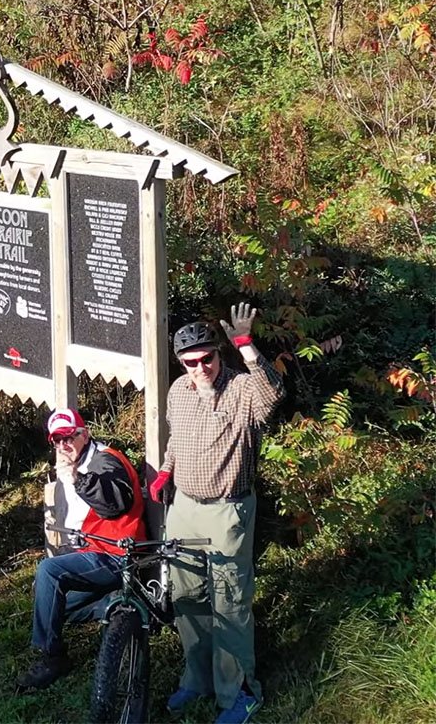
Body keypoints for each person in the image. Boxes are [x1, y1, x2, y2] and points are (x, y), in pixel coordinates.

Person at [149, 303, 285, 724]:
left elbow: (273, 395)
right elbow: (176, 440)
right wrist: (166, 471)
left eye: (207, 358)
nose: (200, 368)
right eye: (190, 362)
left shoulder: (243, 390)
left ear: (218, 354)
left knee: (229, 603)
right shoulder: (178, 391)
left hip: (228, 512)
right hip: (184, 508)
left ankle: (239, 692)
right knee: (186, 598)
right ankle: (198, 678)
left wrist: (246, 345)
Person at [16, 408, 146, 692]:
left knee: (49, 571)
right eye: (57, 440)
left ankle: (53, 657)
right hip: (95, 549)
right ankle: (112, 607)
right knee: (48, 602)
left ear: (84, 434)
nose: (63, 445)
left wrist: (78, 480)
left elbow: (116, 503)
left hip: (117, 554)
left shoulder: (105, 460)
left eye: (69, 436)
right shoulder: (77, 461)